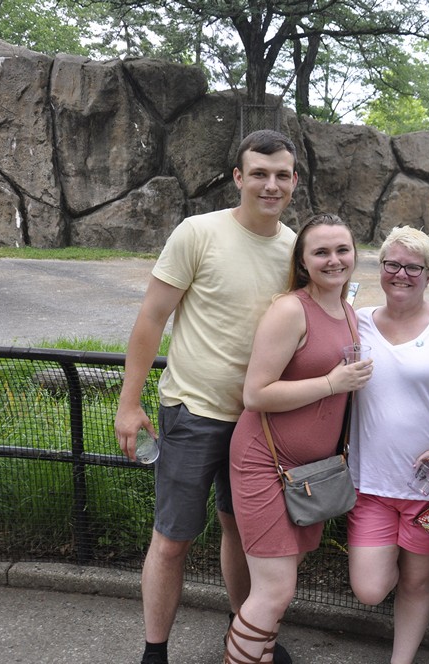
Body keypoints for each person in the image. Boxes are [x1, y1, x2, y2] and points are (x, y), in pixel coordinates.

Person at [114, 129, 300, 664]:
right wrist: (130, 403)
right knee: (172, 539)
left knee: (243, 534)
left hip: (260, 423)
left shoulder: (295, 250)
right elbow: (151, 318)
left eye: (281, 175)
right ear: (239, 178)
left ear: (293, 181)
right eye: (259, 174)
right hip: (193, 412)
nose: (271, 184)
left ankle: (248, 634)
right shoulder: (198, 233)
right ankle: (155, 651)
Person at [224, 213, 373, 664]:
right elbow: (256, 393)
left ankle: (260, 656)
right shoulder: (291, 309)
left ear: (354, 255)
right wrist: (331, 384)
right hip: (266, 464)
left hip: (310, 475)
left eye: (342, 250)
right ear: (304, 262)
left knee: (281, 584)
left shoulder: (347, 311)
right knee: (275, 588)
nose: (334, 260)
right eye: (321, 252)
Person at [345, 226, 429, 664]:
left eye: (412, 267)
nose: (401, 274)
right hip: (371, 484)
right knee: (369, 588)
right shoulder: (356, 321)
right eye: (392, 264)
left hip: (428, 488)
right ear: (380, 268)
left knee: (417, 583)